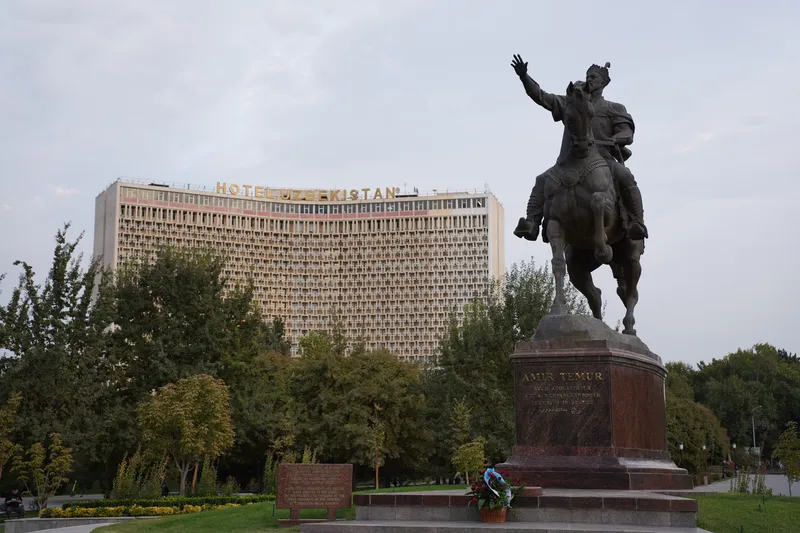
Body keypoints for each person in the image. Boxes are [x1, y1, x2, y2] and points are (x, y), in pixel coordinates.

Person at [511, 55, 648, 242]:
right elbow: (541, 96)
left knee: (625, 175)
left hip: (603, 159)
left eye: (595, 77)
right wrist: (524, 76)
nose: (590, 80)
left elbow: (627, 133)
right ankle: (532, 223)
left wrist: (614, 138)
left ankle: (636, 222)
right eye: (588, 76)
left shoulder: (613, 108)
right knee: (542, 179)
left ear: (605, 82)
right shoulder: (570, 102)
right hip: (571, 160)